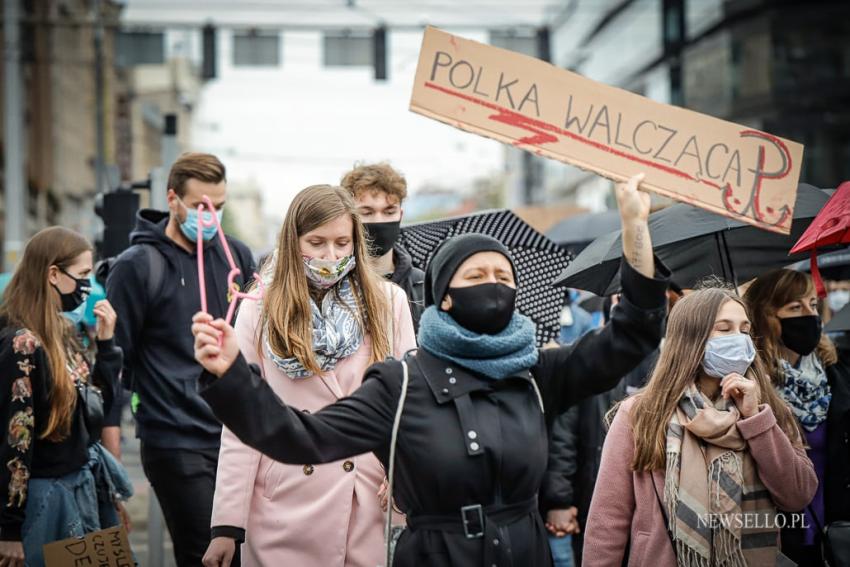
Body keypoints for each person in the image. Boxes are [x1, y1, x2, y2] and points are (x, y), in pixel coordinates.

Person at [192, 173, 670, 566]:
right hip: (354, 530)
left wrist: (636, 230)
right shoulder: (401, 386)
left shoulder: (535, 375)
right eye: (476, 277)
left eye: (503, 277)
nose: (493, 287)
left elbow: (628, 338)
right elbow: (294, 436)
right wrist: (230, 373)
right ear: (444, 294)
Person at [202, 185, 416, 567]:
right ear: (293, 239)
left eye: (341, 243)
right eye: (316, 242)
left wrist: (404, 475)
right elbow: (242, 419)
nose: (330, 256)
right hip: (285, 499)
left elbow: (409, 406)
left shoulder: (389, 302)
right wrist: (227, 525)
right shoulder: (259, 307)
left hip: (368, 496)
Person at [583, 286, 818, 566]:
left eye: (745, 330)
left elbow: (798, 495)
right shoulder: (641, 413)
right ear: (691, 339)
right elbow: (608, 520)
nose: (739, 339)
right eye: (724, 328)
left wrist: (757, 421)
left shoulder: (769, 409)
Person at [107, 152, 255, 567]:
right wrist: (111, 441)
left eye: (220, 207)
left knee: (247, 554)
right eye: (201, 206)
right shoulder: (138, 265)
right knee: (206, 556)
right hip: (176, 438)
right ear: (173, 199)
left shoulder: (235, 256)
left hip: (236, 434)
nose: (211, 216)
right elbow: (114, 359)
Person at [0, 227, 127, 567]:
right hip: (46, 502)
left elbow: (93, 412)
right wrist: (9, 529)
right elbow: (16, 439)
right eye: (83, 274)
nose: (88, 287)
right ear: (53, 274)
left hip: (82, 488)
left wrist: (107, 345)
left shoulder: (62, 332)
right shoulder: (21, 344)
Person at [744, 269, 850, 566]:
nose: (809, 315)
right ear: (766, 316)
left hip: (836, 521)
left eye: (813, 306)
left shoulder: (835, 369)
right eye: (795, 307)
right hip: (782, 527)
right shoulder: (753, 383)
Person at [341, 163, 425, 333]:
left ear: (400, 215)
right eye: (366, 212)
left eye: (388, 212)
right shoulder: (334, 282)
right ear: (348, 216)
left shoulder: (422, 285)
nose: (379, 221)